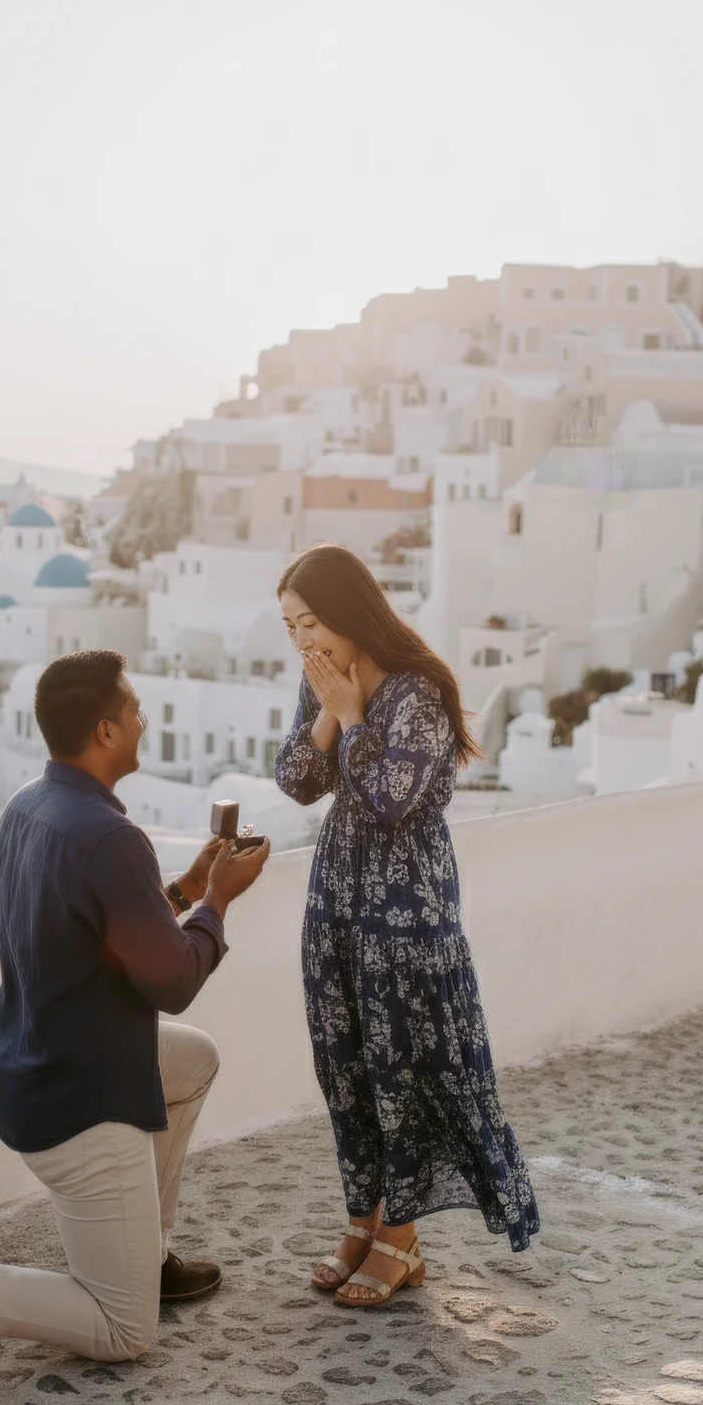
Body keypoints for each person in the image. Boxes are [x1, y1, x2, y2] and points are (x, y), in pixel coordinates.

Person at [0, 649, 270, 1378]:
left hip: (33, 1069)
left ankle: (149, 1248)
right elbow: (171, 981)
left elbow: (98, 936)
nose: (144, 718)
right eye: (134, 708)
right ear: (107, 732)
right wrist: (218, 902)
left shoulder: (28, 809)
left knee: (192, 1059)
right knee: (122, 1329)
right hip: (84, 1102)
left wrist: (183, 888)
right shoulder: (109, 837)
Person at [274, 544, 538, 1308]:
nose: (302, 640)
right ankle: (363, 1220)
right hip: (337, 903)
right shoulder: (319, 680)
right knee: (346, 1069)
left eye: (312, 622)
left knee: (403, 1076)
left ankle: (404, 1239)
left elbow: (390, 797)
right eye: (290, 627)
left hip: (406, 914)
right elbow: (297, 781)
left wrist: (354, 717)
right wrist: (329, 706)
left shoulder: (418, 691)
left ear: (352, 612)